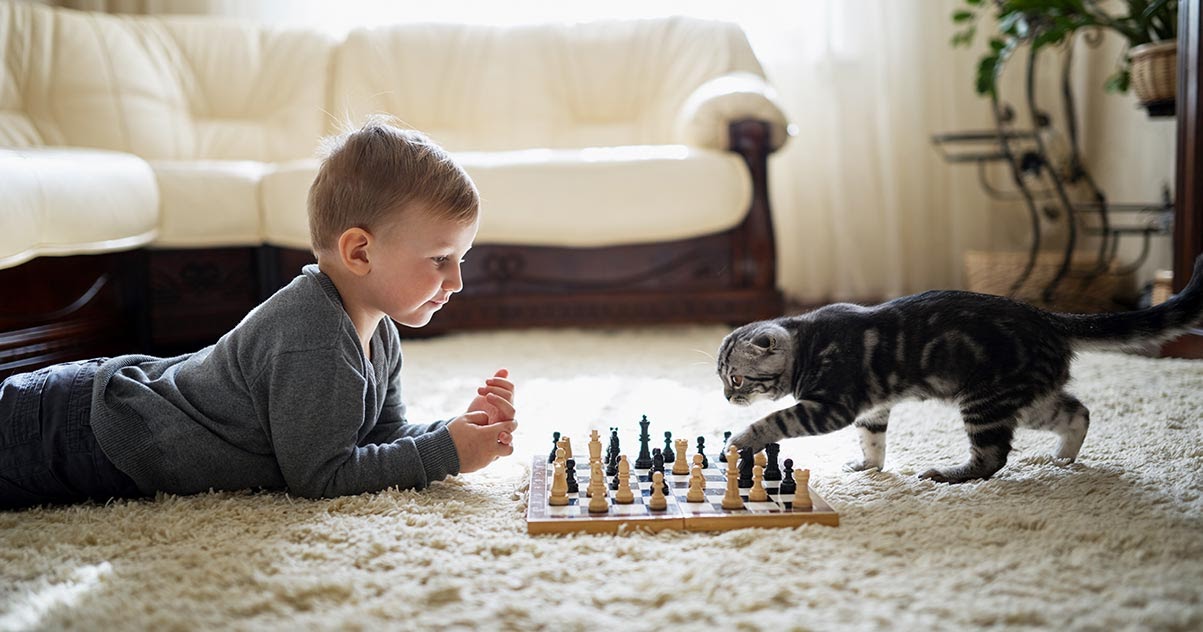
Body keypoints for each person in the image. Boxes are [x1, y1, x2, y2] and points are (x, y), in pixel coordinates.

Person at [0, 117, 517, 510]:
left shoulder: (379, 332)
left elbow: (375, 441)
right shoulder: (313, 334)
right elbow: (322, 477)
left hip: (99, 411)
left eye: (461, 259)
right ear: (360, 252)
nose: (457, 282)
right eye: (440, 260)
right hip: (78, 434)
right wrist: (446, 455)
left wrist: (453, 431)